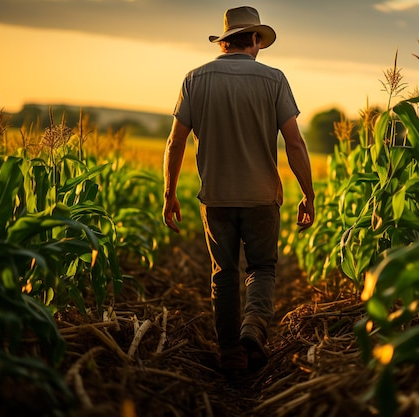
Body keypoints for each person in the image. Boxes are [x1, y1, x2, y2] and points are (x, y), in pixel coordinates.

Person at [162, 6, 315, 377]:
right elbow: (294, 143)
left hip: (215, 196)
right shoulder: (274, 79)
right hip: (262, 196)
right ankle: (252, 333)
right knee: (262, 268)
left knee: (224, 274)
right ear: (257, 40)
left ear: (225, 41)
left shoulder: (194, 79)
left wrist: (169, 193)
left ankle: (230, 351)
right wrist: (308, 193)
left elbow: (175, 141)